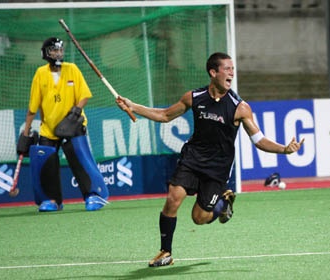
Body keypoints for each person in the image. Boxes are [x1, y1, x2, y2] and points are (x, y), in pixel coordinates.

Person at [116, 52, 304, 267]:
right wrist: (133, 107)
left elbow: (259, 140)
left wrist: (284, 150)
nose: (232, 73)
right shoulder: (194, 97)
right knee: (173, 198)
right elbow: (165, 115)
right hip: (192, 159)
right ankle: (165, 252)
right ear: (213, 72)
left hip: (217, 168)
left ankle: (223, 203)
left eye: (233, 69)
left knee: (199, 218)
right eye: (227, 69)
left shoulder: (240, 107)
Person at [17, 37, 109, 212]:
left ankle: (94, 196)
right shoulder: (40, 74)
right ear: (46, 53)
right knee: (47, 166)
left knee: (81, 161)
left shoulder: (72, 69)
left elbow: (84, 95)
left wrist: (75, 111)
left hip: (73, 126)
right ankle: (51, 200)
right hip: (49, 128)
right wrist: (26, 132)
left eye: (60, 50)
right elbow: (32, 108)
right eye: (54, 50)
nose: (58, 53)